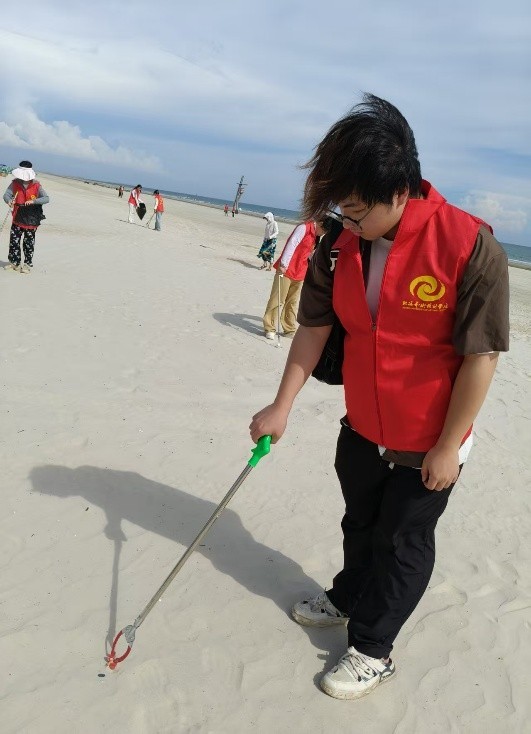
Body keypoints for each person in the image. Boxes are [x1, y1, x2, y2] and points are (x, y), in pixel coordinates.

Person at [249, 94, 509, 701]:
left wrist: (449, 446)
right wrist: (281, 406)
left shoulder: (469, 245)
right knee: (360, 522)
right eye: (340, 209)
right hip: (363, 425)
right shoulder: (338, 242)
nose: (348, 221)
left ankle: (372, 647)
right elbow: (314, 326)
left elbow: (482, 357)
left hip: (430, 439)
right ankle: (347, 595)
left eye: (357, 210)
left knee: (402, 543)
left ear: (399, 190)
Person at [262, 218, 331, 340]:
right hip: (287, 269)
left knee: (292, 302)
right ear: (320, 223)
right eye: (324, 230)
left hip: (300, 272)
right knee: (278, 299)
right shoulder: (304, 227)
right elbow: (292, 244)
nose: (323, 233)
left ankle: (289, 328)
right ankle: (269, 327)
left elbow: (309, 255)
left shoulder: (316, 237)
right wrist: (283, 264)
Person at [3, 161, 49, 273]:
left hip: (31, 218)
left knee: (28, 243)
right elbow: (6, 195)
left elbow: (46, 198)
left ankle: (27, 264)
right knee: (14, 241)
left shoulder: (36, 185)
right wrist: (9, 201)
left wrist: (34, 201)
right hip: (17, 216)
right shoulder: (15, 183)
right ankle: (14, 263)